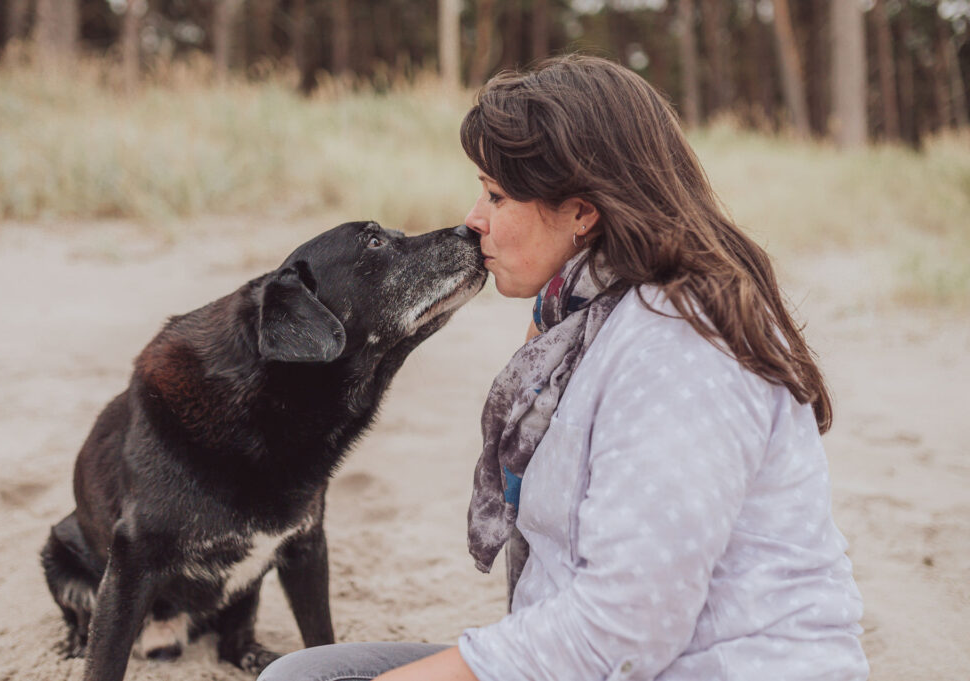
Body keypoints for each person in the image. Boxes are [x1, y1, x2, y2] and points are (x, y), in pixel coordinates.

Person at [259, 55, 869, 681]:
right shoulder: (579, 319)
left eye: (497, 195)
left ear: (583, 212)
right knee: (304, 675)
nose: (475, 218)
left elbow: (625, 627)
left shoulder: (682, 348)